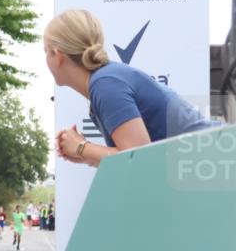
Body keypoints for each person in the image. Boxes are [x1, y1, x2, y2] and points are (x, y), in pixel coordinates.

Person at [45, 9, 218, 167]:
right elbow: (135, 159)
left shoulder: (105, 85)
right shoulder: (105, 80)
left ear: (57, 55)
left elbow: (139, 159)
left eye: (45, 51)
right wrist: (86, 155)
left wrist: (82, 148)